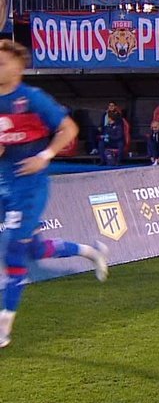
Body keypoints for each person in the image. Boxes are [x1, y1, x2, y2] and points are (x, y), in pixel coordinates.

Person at [0, 40, 109, 348]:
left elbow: (69, 130)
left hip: (29, 188)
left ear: (18, 67)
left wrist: (44, 156)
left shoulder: (32, 98)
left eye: (2, 62)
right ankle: (91, 252)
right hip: (4, 184)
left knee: (13, 253)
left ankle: (4, 325)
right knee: (34, 249)